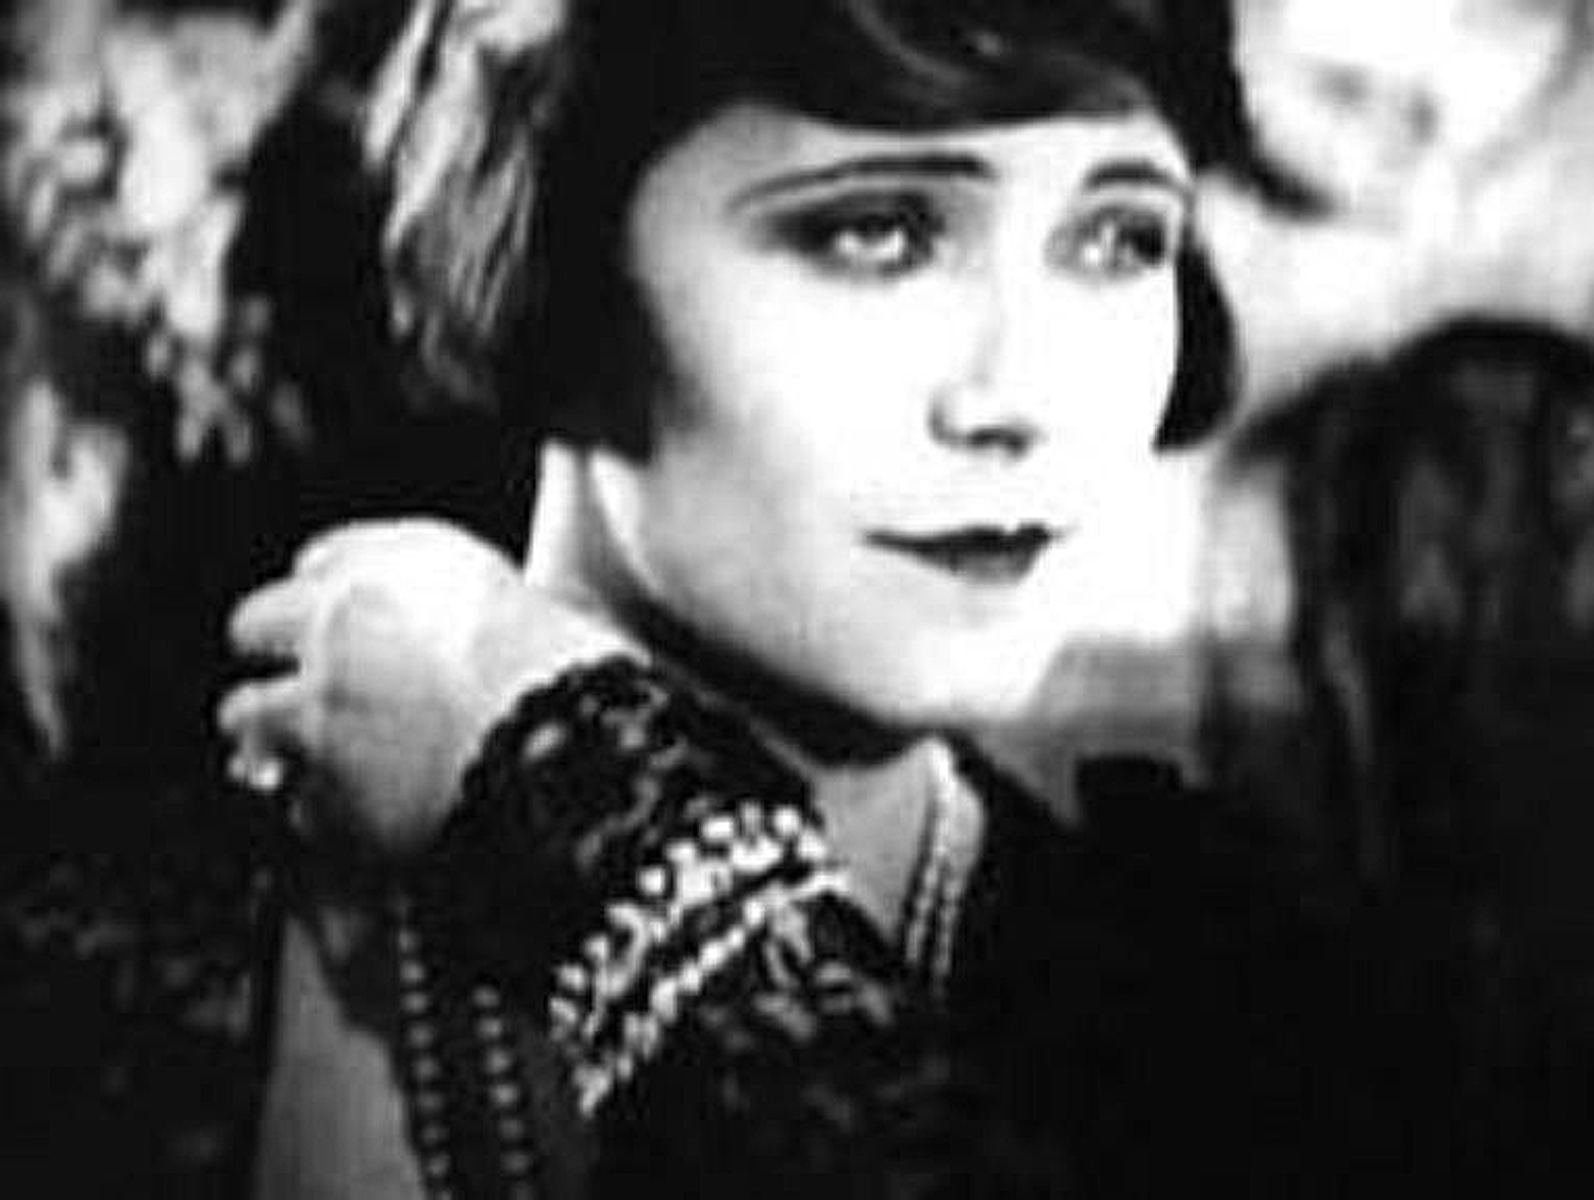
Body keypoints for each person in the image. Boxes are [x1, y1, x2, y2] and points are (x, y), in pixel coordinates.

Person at [8, 0, 1296, 1195]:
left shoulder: (1231, 1006)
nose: (1021, 399)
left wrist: (592, 800)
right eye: (876, 231)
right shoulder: (79, 973)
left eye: (1120, 240)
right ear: (558, 260)